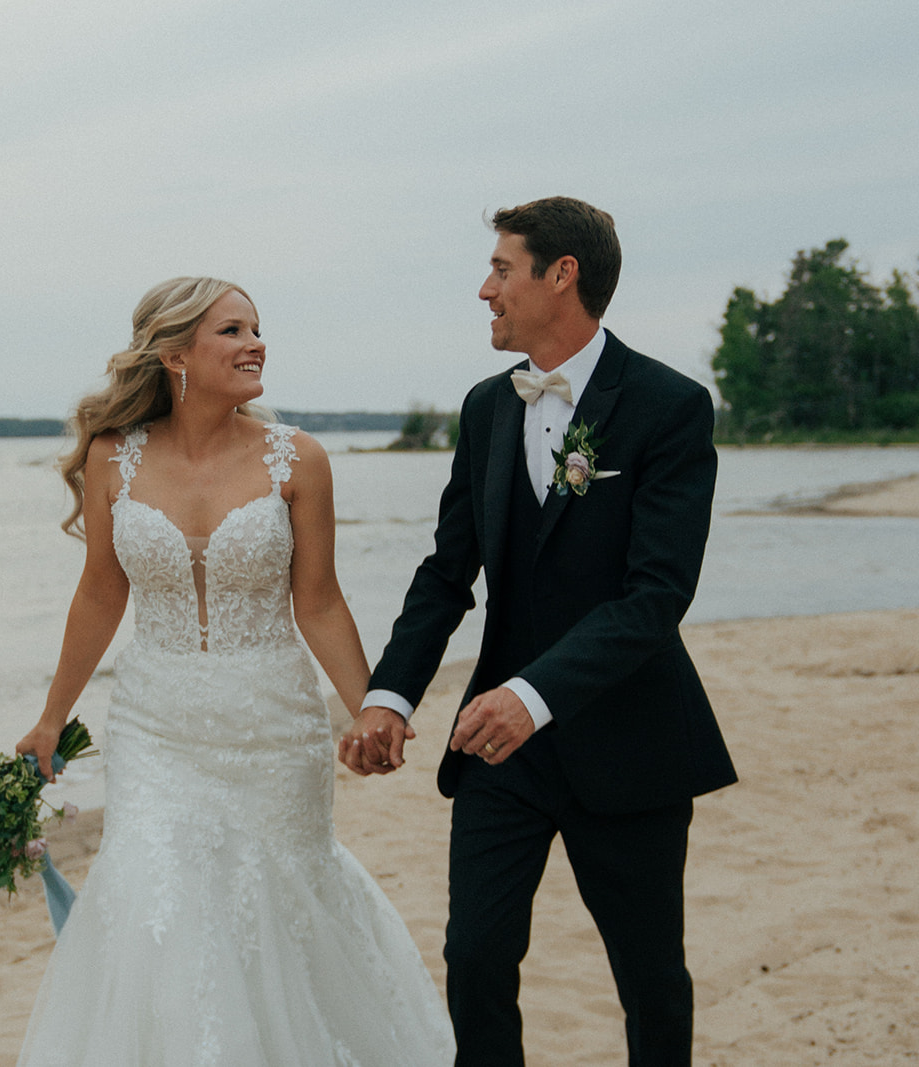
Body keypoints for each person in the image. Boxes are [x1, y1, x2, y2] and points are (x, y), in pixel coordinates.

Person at [14, 277, 455, 1065]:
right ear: (176, 353)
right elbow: (101, 593)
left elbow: (317, 602)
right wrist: (52, 717)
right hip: (156, 727)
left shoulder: (299, 460)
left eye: (256, 328)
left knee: (277, 906)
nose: (256, 343)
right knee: (162, 898)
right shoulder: (114, 460)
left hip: (273, 729)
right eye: (233, 330)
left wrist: (370, 709)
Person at [341, 198, 738, 1067]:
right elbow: (449, 571)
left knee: (649, 975)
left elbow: (656, 595)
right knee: (475, 957)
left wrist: (535, 695)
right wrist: (389, 695)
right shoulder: (486, 408)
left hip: (628, 738)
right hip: (499, 751)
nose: (485, 289)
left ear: (564, 275)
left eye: (502, 269)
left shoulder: (670, 406)